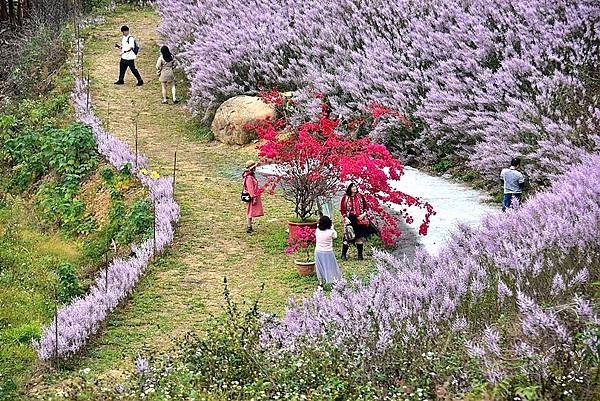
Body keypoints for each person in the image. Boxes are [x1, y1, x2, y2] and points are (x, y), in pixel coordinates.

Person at [340, 182, 378, 261]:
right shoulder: (345, 198)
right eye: (352, 187)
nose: (355, 188)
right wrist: (345, 218)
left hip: (359, 219)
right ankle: (343, 254)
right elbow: (343, 210)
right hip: (350, 219)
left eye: (355, 186)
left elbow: (365, 207)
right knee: (347, 237)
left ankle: (360, 255)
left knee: (359, 237)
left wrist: (363, 215)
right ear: (349, 188)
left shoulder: (360, 196)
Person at [314, 215, 342, 285]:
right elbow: (335, 236)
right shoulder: (330, 232)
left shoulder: (317, 230)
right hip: (328, 252)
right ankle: (334, 281)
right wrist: (332, 228)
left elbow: (318, 226)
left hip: (318, 251)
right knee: (331, 266)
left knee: (320, 267)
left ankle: (321, 282)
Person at [243, 160, 264, 233]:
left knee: (250, 211)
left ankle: (250, 226)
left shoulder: (250, 176)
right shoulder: (249, 177)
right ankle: (249, 227)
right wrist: (253, 197)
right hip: (251, 197)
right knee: (249, 211)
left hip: (252, 196)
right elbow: (250, 189)